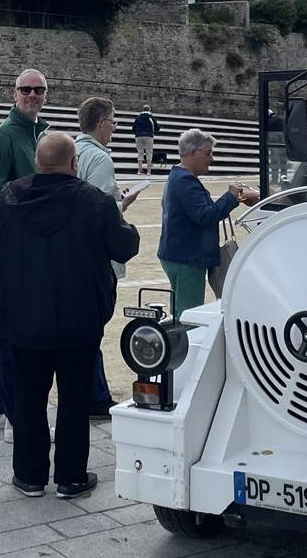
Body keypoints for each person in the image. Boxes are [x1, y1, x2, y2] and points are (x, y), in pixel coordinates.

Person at [0, 133, 140, 499]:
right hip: (78, 319)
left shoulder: (9, 198)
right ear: (74, 164)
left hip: (23, 318)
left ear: (38, 162)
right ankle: (70, 477)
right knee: (74, 400)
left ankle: (29, 475)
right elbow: (125, 245)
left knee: (28, 398)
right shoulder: (94, 201)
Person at [0, 68, 49, 436]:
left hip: (38, 242)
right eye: (27, 89)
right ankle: (7, 408)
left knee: (20, 321)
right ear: (14, 93)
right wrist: (35, 194)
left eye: (39, 90)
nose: (33, 95)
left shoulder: (42, 133)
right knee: (13, 322)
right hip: (16, 242)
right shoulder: (5, 136)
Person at [74, 97, 141, 420]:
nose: (115, 127)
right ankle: (94, 397)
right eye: (113, 121)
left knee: (85, 330)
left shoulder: (77, 151)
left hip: (78, 253)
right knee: (93, 328)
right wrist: (123, 204)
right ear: (100, 123)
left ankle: (95, 392)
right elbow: (99, 211)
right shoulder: (100, 159)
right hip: (96, 257)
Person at [157, 128, 259, 318]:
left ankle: (179, 343)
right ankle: (186, 346)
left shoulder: (179, 177)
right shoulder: (185, 180)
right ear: (191, 152)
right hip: (186, 257)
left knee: (181, 310)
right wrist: (230, 197)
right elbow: (204, 215)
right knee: (190, 314)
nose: (211, 158)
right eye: (207, 153)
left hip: (179, 254)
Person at [131, 104, 160, 175]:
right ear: (149, 110)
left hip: (138, 136)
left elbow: (133, 128)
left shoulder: (138, 118)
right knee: (149, 152)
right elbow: (157, 128)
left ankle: (139, 170)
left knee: (140, 152)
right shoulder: (151, 117)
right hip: (149, 136)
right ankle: (148, 171)